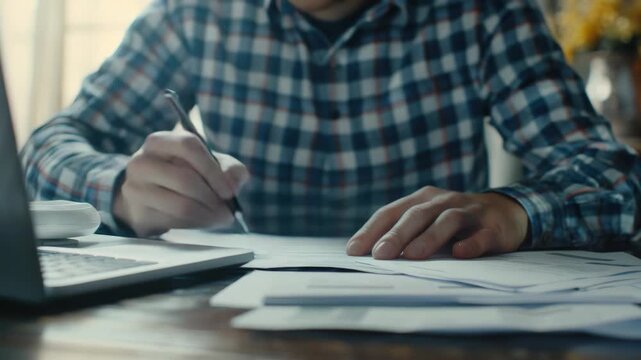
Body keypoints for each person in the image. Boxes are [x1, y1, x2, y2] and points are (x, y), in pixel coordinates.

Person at [21, 0, 641, 261]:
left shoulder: (484, 12)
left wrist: (515, 211)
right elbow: (47, 147)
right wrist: (121, 187)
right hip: (232, 327)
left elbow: (614, 175)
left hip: (441, 330)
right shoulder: (196, 13)